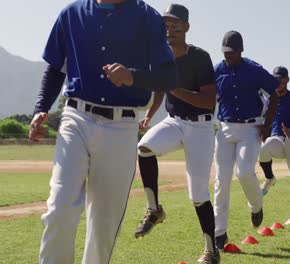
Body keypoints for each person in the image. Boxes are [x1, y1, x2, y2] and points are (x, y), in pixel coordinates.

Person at [29, 0, 176, 263]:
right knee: (60, 209)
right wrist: (41, 107)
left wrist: (133, 77)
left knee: (103, 225)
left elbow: (168, 77)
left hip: (122, 125)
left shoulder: (148, 17)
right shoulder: (71, 13)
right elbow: (54, 69)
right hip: (76, 117)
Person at [132, 4, 219, 264]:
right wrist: (151, 113)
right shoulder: (160, 54)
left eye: (175, 24)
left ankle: (211, 251)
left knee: (199, 195)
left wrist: (175, 89)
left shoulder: (200, 57)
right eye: (166, 25)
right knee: (144, 148)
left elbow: (209, 102)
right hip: (174, 121)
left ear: (186, 27)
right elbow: (160, 88)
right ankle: (154, 209)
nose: (170, 29)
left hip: (201, 127)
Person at [213, 30, 285, 250]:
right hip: (225, 129)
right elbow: (207, 94)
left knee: (243, 172)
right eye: (225, 52)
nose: (228, 56)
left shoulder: (254, 70)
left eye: (232, 52)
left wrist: (267, 125)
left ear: (240, 51)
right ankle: (219, 233)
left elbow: (274, 95)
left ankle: (256, 206)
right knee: (221, 181)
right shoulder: (217, 70)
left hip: (250, 129)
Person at [258, 66, 290, 230]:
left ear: (287, 80)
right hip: (277, 140)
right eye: (275, 80)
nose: (278, 83)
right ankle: (269, 178)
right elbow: (263, 120)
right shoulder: (269, 101)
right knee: (263, 148)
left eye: (281, 80)